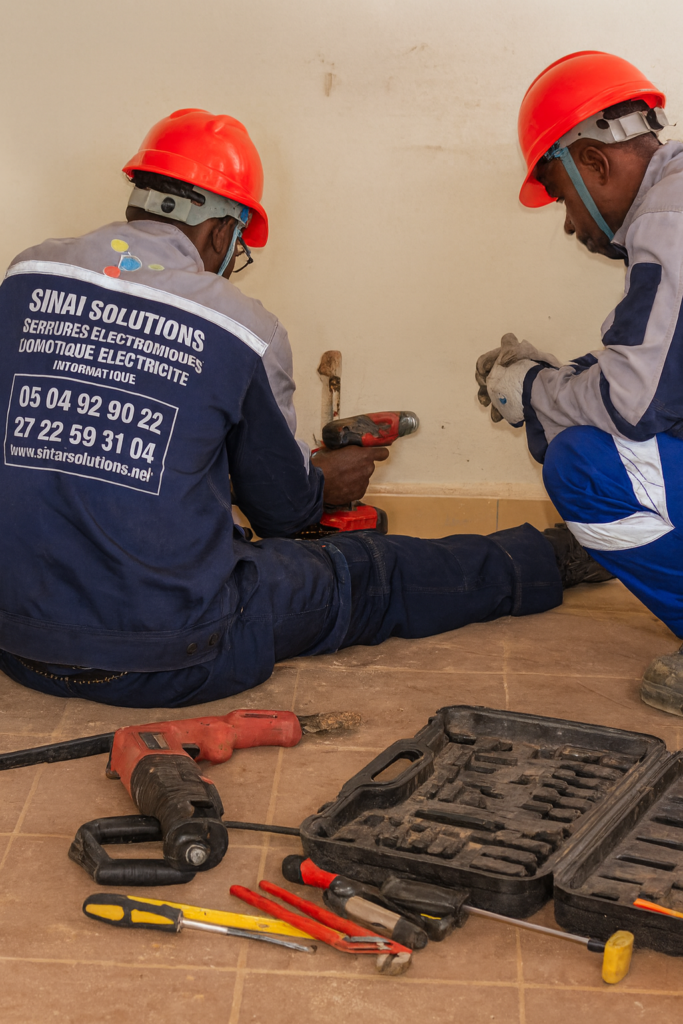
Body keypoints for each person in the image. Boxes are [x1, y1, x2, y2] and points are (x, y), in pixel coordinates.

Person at [0, 108, 604, 708]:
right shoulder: (239, 326)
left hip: (17, 641)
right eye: (234, 248)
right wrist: (323, 487)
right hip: (170, 657)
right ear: (219, 233)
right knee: (370, 575)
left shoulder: (25, 275)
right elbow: (285, 515)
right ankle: (557, 555)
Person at [476, 51, 683, 717]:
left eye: (563, 198)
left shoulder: (665, 221)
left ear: (593, 162)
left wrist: (535, 393)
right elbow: (657, 374)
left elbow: (632, 401)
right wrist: (562, 379)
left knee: (585, 468)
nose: (570, 223)